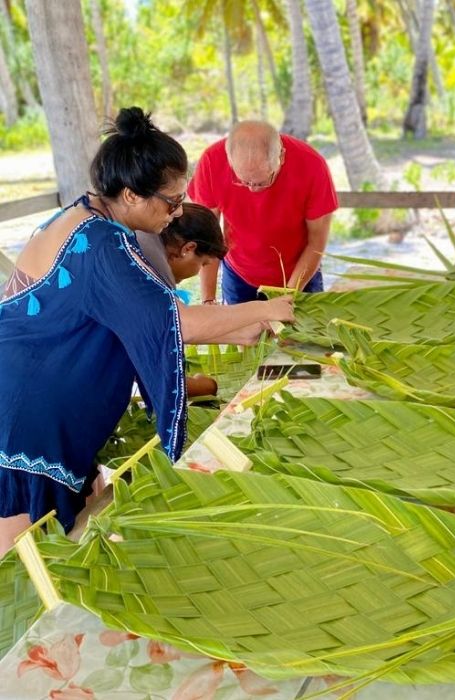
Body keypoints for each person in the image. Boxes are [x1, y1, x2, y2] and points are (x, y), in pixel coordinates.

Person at [0, 107, 294, 555]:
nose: (177, 215)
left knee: (60, 540)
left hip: (33, 397)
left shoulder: (87, 217)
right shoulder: (101, 244)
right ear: (132, 195)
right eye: (171, 202)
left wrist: (238, 330)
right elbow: (168, 322)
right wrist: (267, 308)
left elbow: (136, 320)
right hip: (24, 413)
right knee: (20, 570)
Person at [187, 120, 338, 304]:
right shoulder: (212, 161)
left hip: (299, 272)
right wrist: (208, 300)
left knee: (295, 332)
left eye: (262, 182)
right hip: (239, 273)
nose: (253, 190)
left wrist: (289, 295)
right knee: (241, 332)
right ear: (230, 159)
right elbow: (207, 237)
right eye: (243, 181)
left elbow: (316, 242)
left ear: (281, 157)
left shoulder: (312, 165)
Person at [137, 202, 229, 397]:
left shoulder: (141, 243)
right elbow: (157, 379)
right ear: (188, 248)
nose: (198, 272)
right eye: (203, 263)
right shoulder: (150, 278)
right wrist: (208, 386)